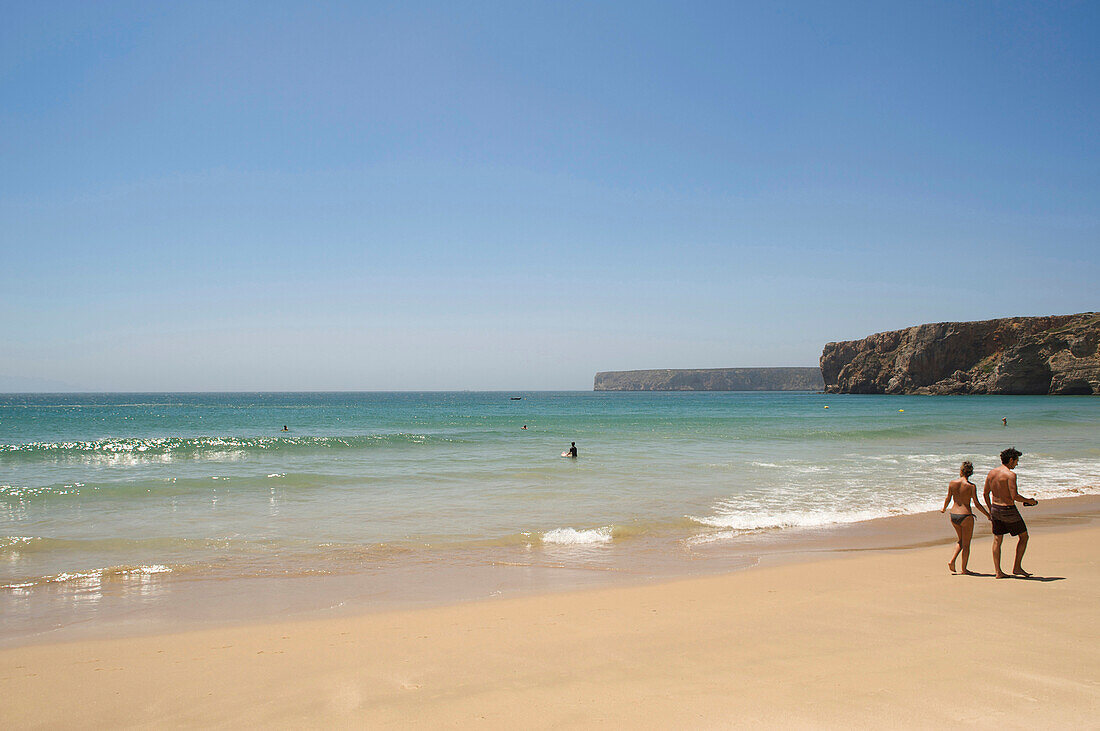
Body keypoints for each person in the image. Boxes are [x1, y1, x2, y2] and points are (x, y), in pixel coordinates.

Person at [983, 447, 1038, 578]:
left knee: (997, 540)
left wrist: (990, 509)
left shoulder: (991, 473)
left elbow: (985, 493)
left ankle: (998, 572)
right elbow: (1014, 496)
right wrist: (1029, 500)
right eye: (1016, 461)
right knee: (1024, 537)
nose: (1017, 464)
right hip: (1008, 510)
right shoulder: (1010, 475)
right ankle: (1017, 567)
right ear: (1011, 460)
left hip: (995, 508)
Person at [941, 461, 990, 575]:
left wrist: (943, 508)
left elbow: (948, 498)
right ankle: (964, 569)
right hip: (966, 516)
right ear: (970, 473)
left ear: (961, 471)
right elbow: (977, 504)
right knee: (966, 544)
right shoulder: (971, 486)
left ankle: (952, 560)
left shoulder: (952, 483)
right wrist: (988, 514)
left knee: (961, 540)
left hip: (953, 515)